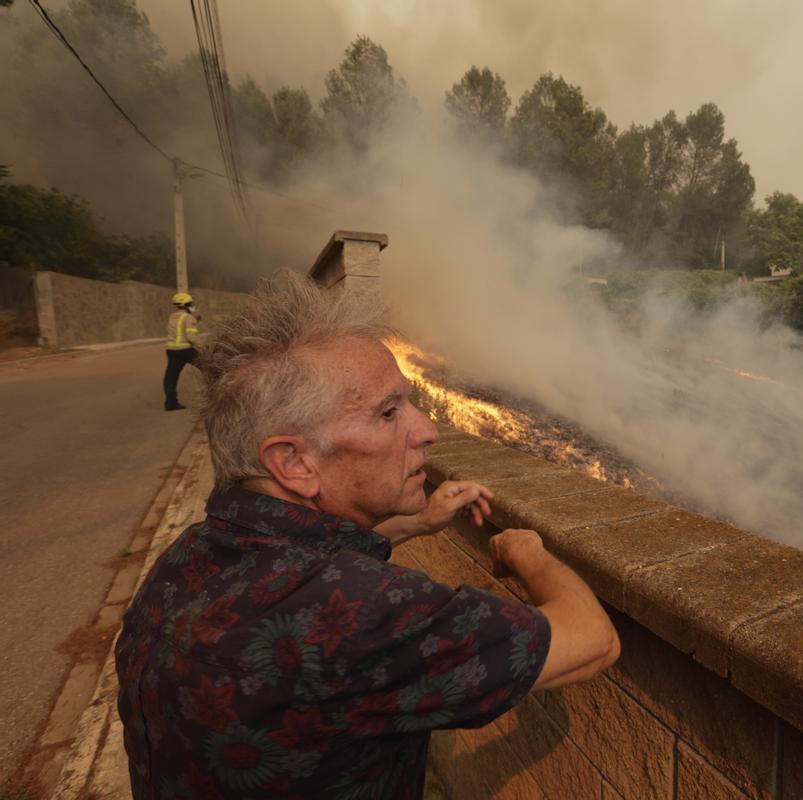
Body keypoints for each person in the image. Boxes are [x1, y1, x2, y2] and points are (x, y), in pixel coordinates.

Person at [116, 273, 619, 799]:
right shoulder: (362, 616)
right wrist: (529, 553)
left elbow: (301, 562)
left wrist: (419, 523)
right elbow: (592, 641)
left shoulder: (185, 559)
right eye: (388, 412)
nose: (426, 430)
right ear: (293, 461)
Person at [164, 291, 201, 411]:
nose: (192, 305)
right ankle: (219, 397)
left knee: (171, 376)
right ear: (186, 304)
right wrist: (203, 347)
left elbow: (179, 329)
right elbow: (191, 337)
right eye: (190, 303)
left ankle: (171, 403)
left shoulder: (173, 316)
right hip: (185, 350)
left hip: (172, 350)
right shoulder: (188, 317)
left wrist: (196, 321)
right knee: (209, 367)